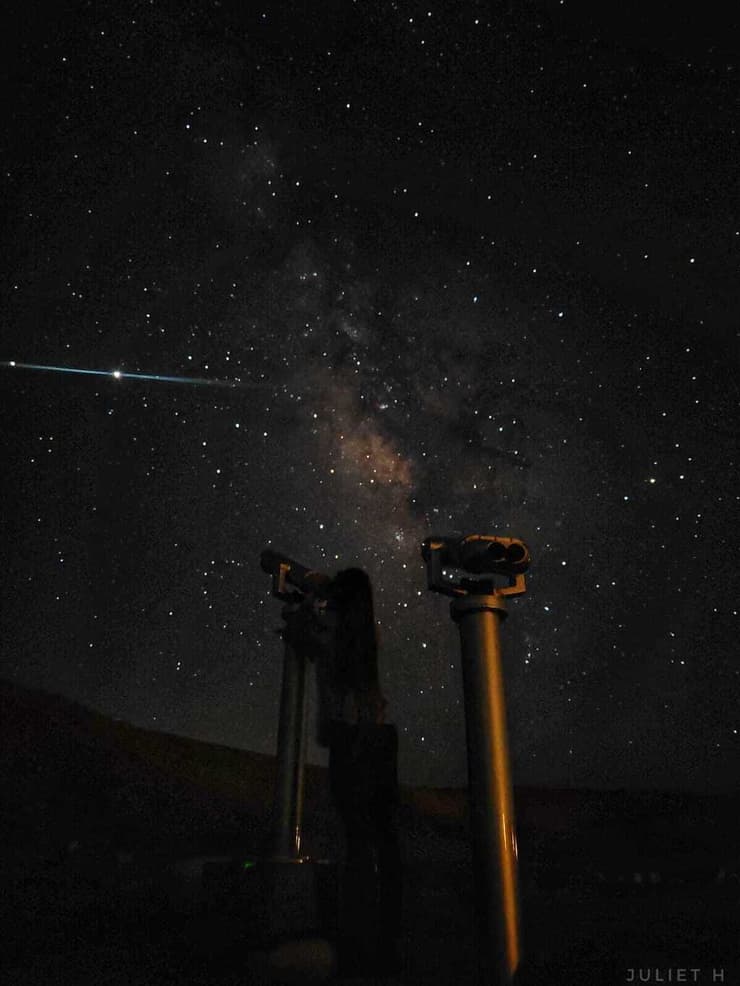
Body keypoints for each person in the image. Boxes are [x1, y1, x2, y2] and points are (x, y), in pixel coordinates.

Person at [281, 567, 403, 977]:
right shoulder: (366, 631)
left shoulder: (330, 629)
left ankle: (356, 940)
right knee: (382, 846)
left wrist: (312, 592)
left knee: (354, 843)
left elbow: (298, 632)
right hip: (381, 740)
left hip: (350, 741)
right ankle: (386, 938)